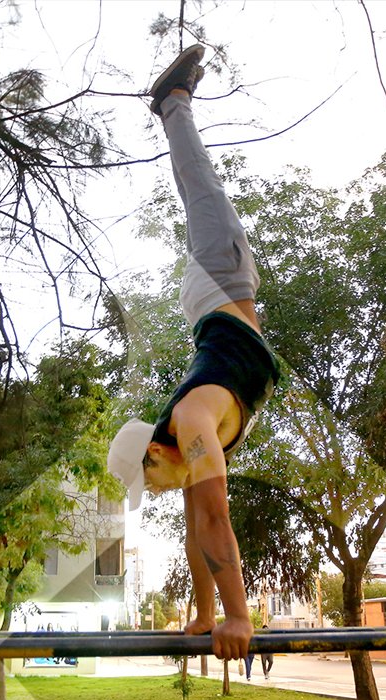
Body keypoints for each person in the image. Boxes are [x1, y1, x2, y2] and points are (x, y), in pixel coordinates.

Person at [107, 45, 281, 662]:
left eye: (148, 480)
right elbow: (196, 532)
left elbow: (214, 521)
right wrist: (207, 614)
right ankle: (173, 106)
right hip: (222, 297)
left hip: (219, 282)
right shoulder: (189, 447)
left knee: (202, 187)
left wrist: (239, 616)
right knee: (199, 192)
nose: (154, 490)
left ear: (155, 450)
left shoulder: (191, 424)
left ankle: (172, 101)